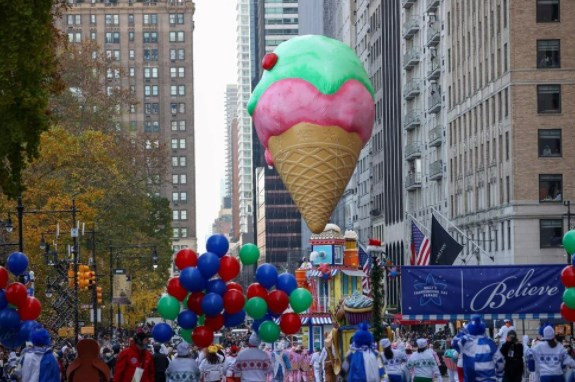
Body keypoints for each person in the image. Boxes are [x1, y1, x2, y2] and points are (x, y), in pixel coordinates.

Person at [454, 315, 503, 382]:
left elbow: (454, 342)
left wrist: (463, 331)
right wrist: (499, 375)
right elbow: (499, 360)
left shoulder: (465, 342)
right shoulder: (490, 342)